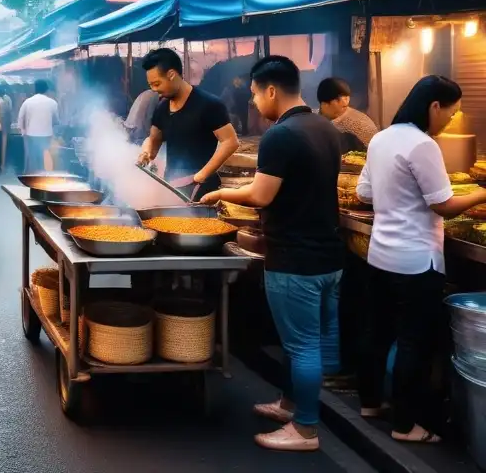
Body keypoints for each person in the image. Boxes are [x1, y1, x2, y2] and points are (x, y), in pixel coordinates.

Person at [201, 56, 345, 452]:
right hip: (328, 255)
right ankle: (290, 405)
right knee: (303, 341)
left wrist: (220, 192)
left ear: (270, 90)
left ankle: (305, 430)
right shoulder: (324, 127)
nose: (252, 103)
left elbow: (261, 195)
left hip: (295, 257)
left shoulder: (280, 135)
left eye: (253, 94)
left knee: (302, 345)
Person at [356, 76, 486, 444]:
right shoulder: (422, 144)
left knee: (376, 333)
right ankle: (405, 425)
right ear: (434, 106)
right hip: (416, 262)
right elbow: (442, 204)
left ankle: (369, 404)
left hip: (381, 254)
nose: (451, 120)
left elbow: (365, 193)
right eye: (452, 112)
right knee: (414, 341)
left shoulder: (381, 138)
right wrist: (481, 192)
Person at [137, 48, 239, 200]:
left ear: (172, 75)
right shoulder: (161, 107)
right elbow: (153, 139)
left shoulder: (209, 104)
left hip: (202, 188)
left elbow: (230, 142)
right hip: (172, 185)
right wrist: (146, 153)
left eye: (157, 84)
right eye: (151, 85)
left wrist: (202, 174)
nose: (154, 89)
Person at [317, 77, 379, 151]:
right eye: (337, 99)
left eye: (347, 96)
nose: (345, 101)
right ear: (325, 104)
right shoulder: (315, 121)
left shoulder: (358, 123)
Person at [18, 79, 59, 173]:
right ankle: (44, 177)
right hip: (47, 135)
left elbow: (20, 119)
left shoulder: (27, 102)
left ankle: (33, 178)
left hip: (30, 136)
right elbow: (56, 121)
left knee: (32, 160)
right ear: (47, 90)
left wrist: (23, 133)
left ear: (34, 89)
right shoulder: (53, 103)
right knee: (45, 159)